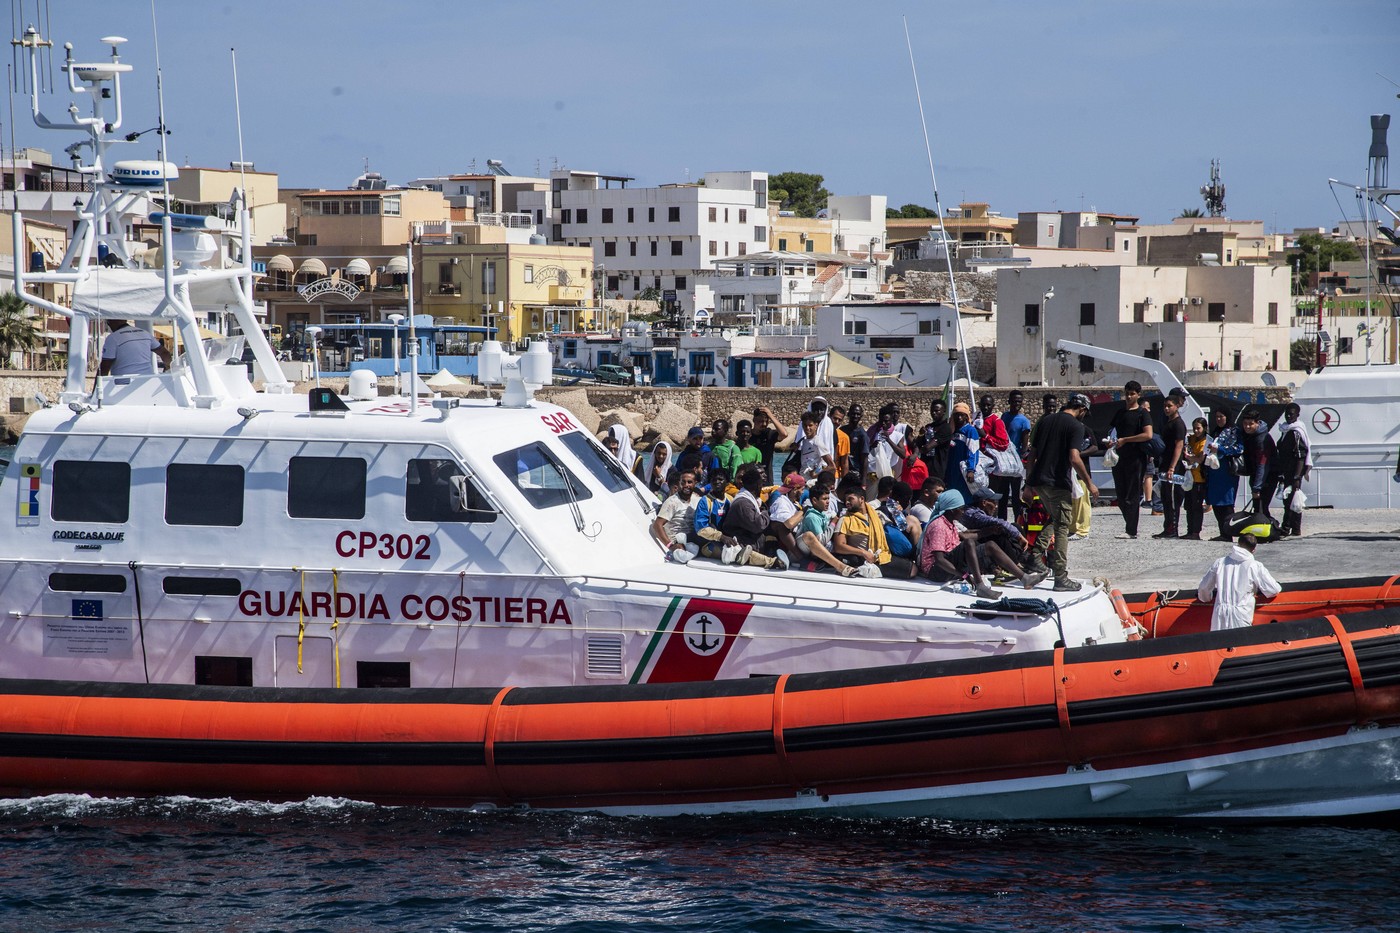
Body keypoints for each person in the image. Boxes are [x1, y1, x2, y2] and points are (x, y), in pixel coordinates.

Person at [1024, 393, 1098, 592]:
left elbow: (1032, 454)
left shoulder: (1046, 421)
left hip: (1039, 482)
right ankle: (1060, 576)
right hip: (1057, 483)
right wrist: (1090, 483)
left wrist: (1028, 483)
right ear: (1082, 409)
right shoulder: (1076, 426)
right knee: (1063, 527)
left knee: (1056, 519)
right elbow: (1074, 458)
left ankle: (1034, 556)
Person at [917, 489, 1046, 598]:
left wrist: (988, 531)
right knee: (969, 543)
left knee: (989, 545)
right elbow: (939, 560)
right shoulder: (939, 525)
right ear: (951, 510)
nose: (963, 512)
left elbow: (964, 535)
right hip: (936, 571)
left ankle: (1024, 578)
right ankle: (980, 586)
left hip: (948, 564)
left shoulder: (949, 523)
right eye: (960, 509)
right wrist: (965, 575)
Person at [832, 476, 916, 579]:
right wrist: (863, 552)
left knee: (913, 568)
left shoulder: (877, 515)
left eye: (850, 499)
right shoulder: (844, 519)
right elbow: (839, 546)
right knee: (911, 571)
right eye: (846, 500)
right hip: (862, 558)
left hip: (882, 556)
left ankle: (873, 570)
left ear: (861, 499)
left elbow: (898, 531)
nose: (847, 502)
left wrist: (898, 512)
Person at [1196, 533, 1281, 630]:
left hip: (1220, 613)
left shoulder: (1220, 562)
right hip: (1241, 613)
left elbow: (1203, 588)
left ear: (1238, 544)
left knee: (1218, 643)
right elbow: (1273, 589)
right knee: (1240, 643)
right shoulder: (1255, 566)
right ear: (1254, 550)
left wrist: (1206, 598)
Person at [715, 466, 788, 569]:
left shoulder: (751, 499)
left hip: (750, 537)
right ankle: (772, 561)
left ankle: (774, 554)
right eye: (761, 485)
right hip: (742, 542)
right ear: (758, 485)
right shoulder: (743, 503)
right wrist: (765, 511)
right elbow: (759, 525)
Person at [1106, 380, 1153, 540]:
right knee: (1120, 494)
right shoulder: (1120, 413)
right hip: (1119, 458)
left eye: (1132, 393)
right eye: (1127, 393)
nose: (1128, 396)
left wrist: (1126, 440)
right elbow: (1112, 431)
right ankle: (1130, 525)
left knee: (1132, 495)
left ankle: (1131, 530)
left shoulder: (1142, 414)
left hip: (1136, 458)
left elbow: (1148, 434)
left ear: (1138, 395)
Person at [793, 482, 859, 576]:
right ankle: (841, 567)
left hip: (819, 549)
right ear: (815, 500)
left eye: (828, 498)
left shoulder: (823, 514)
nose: (828, 501)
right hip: (805, 548)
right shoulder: (812, 517)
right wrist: (833, 523)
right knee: (809, 536)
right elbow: (822, 541)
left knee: (853, 559)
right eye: (824, 499)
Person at [1204, 408, 1243, 540]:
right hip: (1214, 472)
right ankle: (1222, 533)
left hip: (1227, 473)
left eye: (1221, 416)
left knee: (1226, 503)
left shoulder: (1234, 431)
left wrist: (1220, 449)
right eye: (1217, 417)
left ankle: (1228, 533)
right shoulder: (1216, 432)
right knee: (1216, 503)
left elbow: (1239, 449)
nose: (1219, 419)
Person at [1154, 392, 1188, 539]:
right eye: (1165, 406)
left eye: (1169, 406)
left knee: (1173, 498)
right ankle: (1167, 527)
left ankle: (1173, 529)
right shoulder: (1167, 423)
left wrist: (1172, 467)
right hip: (1165, 462)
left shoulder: (1178, 424)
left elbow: (1179, 446)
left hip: (1174, 465)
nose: (1166, 409)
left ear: (1176, 406)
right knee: (1166, 497)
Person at [1276, 402, 1311, 538]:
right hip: (1287, 470)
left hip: (1294, 472)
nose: (1289, 416)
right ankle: (1295, 528)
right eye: (1287, 414)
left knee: (1291, 500)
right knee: (1291, 500)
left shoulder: (1296, 431)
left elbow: (1301, 455)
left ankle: (1287, 528)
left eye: (1292, 414)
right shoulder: (1286, 430)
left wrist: (1297, 477)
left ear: (1298, 415)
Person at [1240, 408, 1279, 521]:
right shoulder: (1248, 435)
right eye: (1245, 424)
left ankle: (1271, 529)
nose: (1247, 427)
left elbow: (1263, 464)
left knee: (1261, 508)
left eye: (1250, 424)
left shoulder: (1262, 439)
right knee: (1258, 508)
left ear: (1257, 423)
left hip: (1268, 476)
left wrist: (1257, 488)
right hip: (1256, 474)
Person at [651, 469, 699, 563]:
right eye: (683, 482)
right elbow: (657, 525)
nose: (686, 485)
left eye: (689, 482)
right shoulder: (672, 502)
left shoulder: (697, 499)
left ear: (695, 483)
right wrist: (670, 546)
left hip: (692, 539)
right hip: (677, 542)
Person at [1000, 390, 1033, 521]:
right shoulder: (1004, 417)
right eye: (1014, 401)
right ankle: (1002, 522)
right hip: (1003, 461)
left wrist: (1019, 460)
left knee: (1015, 496)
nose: (1016, 404)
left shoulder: (1024, 421)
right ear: (1009, 402)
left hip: (1015, 462)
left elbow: (1024, 445)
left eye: (1019, 402)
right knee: (1002, 495)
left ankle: (1017, 523)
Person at [99, 320, 171, 376]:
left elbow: (104, 368)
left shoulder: (112, 338)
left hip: (122, 385)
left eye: (108, 322)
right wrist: (168, 370)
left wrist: (96, 390)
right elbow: (165, 353)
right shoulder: (145, 333)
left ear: (112, 322)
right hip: (147, 380)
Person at [1181, 417, 1209, 540]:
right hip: (1189, 477)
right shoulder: (1191, 439)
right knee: (1188, 505)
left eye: (1199, 428)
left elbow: (1200, 459)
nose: (1196, 431)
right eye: (1195, 428)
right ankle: (1189, 530)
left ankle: (1196, 532)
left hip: (1199, 479)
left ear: (1204, 428)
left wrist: (1190, 457)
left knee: (1197, 506)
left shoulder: (1205, 441)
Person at [946, 403, 981, 500]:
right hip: (951, 468)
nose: (959, 417)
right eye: (957, 415)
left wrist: (971, 470)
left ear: (966, 416)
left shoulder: (970, 431)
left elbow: (973, 451)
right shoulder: (952, 431)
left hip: (963, 470)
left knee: (963, 496)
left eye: (962, 414)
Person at [919, 398, 954, 486]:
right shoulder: (929, 427)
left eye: (937, 411)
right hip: (925, 467)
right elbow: (918, 444)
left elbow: (927, 447)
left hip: (937, 469)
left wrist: (923, 449)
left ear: (944, 411)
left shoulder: (945, 428)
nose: (934, 413)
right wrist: (921, 435)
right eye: (932, 411)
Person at [749, 406, 787, 483]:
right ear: (754, 420)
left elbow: (784, 434)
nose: (764, 424)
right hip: (750, 479)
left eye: (766, 421)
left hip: (766, 479)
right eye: (761, 421)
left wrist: (771, 416)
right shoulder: (747, 436)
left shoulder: (769, 434)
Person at [842, 404, 871, 483]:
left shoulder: (862, 435)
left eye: (858, 414)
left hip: (855, 473)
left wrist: (863, 481)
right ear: (848, 414)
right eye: (853, 413)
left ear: (861, 416)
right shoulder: (841, 431)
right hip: (841, 471)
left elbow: (864, 458)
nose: (855, 416)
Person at [796, 411, 830, 477]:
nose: (807, 428)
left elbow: (832, 466)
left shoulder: (817, 442)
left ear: (816, 426)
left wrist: (816, 475)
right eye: (805, 425)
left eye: (810, 425)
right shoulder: (804, 441)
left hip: (814, 483)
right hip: (804, 482)